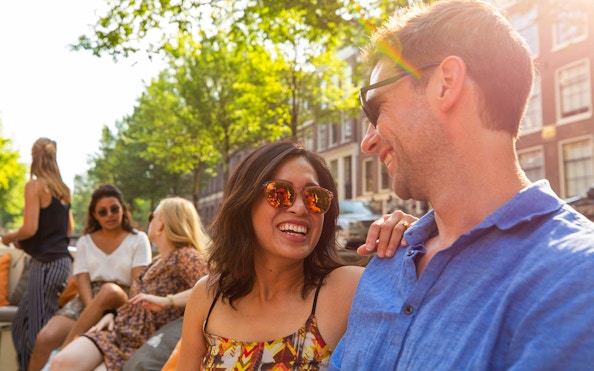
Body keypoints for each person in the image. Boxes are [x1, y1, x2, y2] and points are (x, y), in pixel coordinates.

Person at [330, 0, 594, 369]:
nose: (367, 141)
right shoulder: (384, 267)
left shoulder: (576, 280)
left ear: (446, 84)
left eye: (375, 109)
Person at [175, 140, 364, 370]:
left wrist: (410, 231)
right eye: (280, 193)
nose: (300, 208)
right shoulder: (207, 297)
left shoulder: (348, 289)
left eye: (315, 197)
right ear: (245, 203)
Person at [49, 196, 209, 371]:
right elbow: (136, 300)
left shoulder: (186, 256)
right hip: (119, 329)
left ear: (161, 223)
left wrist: (167, 301)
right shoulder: (156, 261)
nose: (150, 221)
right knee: (60, 363)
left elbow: (210, 290)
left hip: (143, 341)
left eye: (151, 217)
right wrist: (113, 314)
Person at [29, 184, 152, 371]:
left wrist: (114, 312)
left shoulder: (138, 239)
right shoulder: (85, 241)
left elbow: (138, 283)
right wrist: (93, 311)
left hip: (123, 298)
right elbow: (83, 280)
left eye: (114, 209)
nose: (109, 214)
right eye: (102, 212)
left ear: (122, 209)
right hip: (87, 299)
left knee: (108, 290)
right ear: (95, 215)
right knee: (45, 337)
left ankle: (58, 359)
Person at [0, 138, 74, 371]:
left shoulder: (35, 186)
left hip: (46, 267)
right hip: (62, 265)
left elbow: (30, 228)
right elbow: (68, 230)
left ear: (34, 157)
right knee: (22, 325)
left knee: (35, 334)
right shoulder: (63, 190)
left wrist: (10, 236)